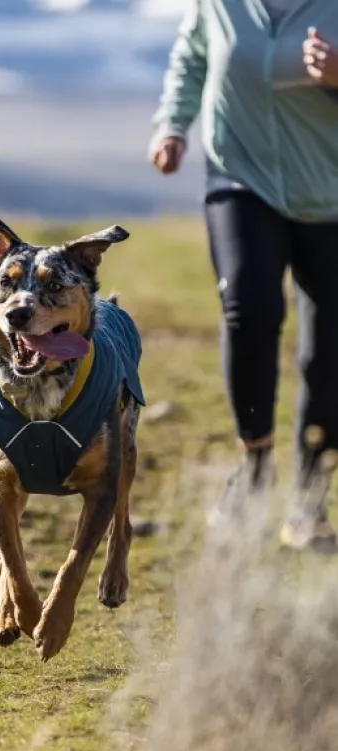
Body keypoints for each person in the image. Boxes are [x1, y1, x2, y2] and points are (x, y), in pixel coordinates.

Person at [149, 0, 338, 551]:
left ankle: (311, 499)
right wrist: (173, 125)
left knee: (329, 352)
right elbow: (193, 56)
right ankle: (253, 467)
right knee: (250, 309)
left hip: (330, 196)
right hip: (240, 177)